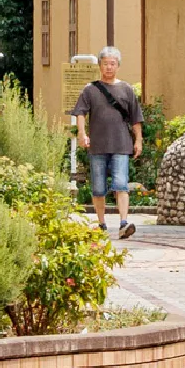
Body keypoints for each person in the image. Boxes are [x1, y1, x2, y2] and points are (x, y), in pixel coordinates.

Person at [70, 48, 145, 241]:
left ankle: (123, 223)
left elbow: (136, 118)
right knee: (98, 187)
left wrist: (138, 140)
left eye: (112, 64)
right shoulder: (90, 89)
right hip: (98, 146)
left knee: (121, 185)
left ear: (118, 66)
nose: (109, 67)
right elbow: (80, 112)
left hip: (121, 145)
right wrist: (82, 133)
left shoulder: (126, 89)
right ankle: (101, 224)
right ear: (100, 66)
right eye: (105, 63)